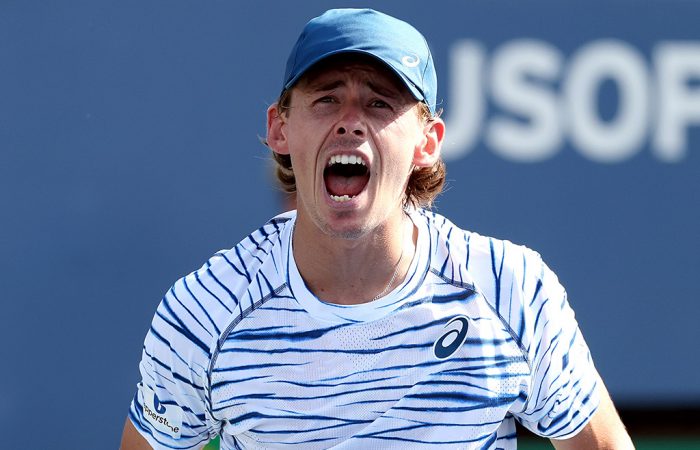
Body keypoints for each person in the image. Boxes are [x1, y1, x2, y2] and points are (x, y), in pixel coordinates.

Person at [120, 8, 634, 450]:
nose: (350, 121)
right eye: (326, 98)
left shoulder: (513, 289)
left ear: (427, 142)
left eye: (379, 103)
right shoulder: (205, 309)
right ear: (281, 128)